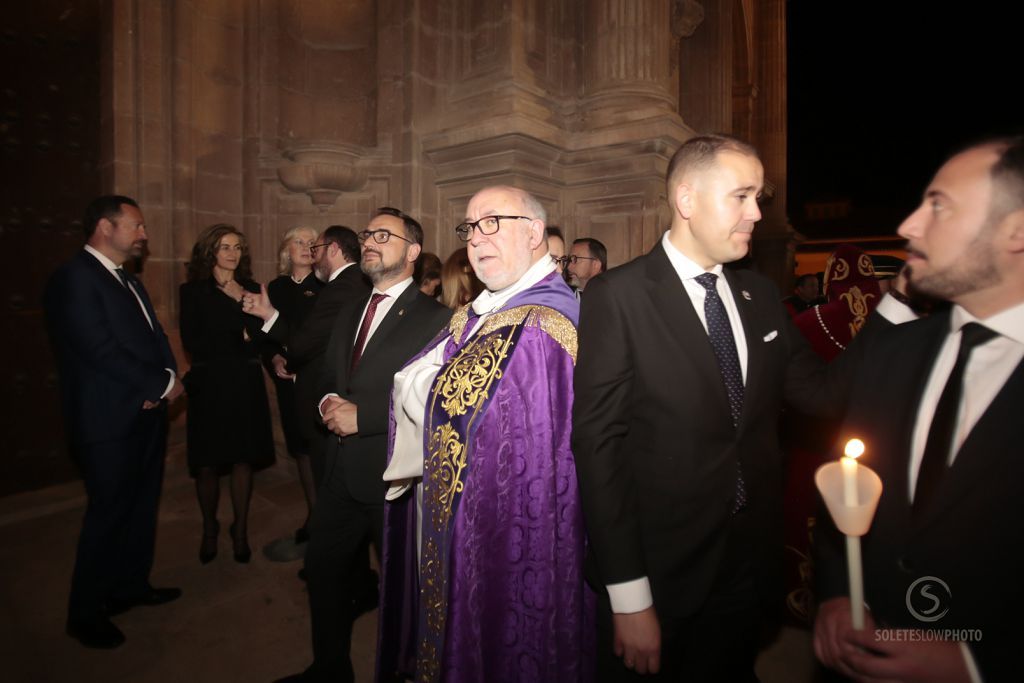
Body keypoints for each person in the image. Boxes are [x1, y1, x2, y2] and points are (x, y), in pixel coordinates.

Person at [572, 134, 880, 681]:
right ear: (687, 200)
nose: (757, 214)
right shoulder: (618, 297)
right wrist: (629, 596)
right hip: (661, 574)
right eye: (742, 196)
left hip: (749, 566)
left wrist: (894, 311)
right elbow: (598, 450)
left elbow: (822, 394)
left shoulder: (759, 296)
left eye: (759, 197)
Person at [814, 136, 1024, 682]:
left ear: (1018, 231)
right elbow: (851, 482)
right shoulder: (891, 351)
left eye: (939, 205)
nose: (908, 225)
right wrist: (836, 594)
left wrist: (977, 663)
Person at [377, 186, 592, 682]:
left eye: (492, 221)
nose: (476, 238)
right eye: (470, 227)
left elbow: (451, 401)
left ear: (535, 232)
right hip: (450, 510)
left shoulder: (545, 324)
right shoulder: (482, 311)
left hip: (507, 528)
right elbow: (421, 381)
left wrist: (421, 389)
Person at [274, 207, 450, 683]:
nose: (369, 240)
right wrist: (329, 398)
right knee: (324, 573)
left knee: (404, 593)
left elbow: (441, 403)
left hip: (393, 479)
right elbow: (331, 372)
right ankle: (330, 668)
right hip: (338, 472)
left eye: (383, 235)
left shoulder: (439, 319)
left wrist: (366, 417)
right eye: (367, 233)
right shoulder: (350, 305)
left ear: (412, 252)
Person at [45, 195, 184, 649]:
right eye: (137, 226)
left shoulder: (127, 280)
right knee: (107, 515)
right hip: (106, 419)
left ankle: (130, 586)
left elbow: (154, 336)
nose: (144, 234)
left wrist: (165, 379)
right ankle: (84, 613)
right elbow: (97, 349)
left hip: (144, 413)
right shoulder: (74, 279)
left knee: (141, 506)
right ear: (106, 227)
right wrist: (158, 386)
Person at [246, 226, 370, 563]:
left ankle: (338, 565)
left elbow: (302, 343)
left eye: (314, 246)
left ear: (331, 249)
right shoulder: (352, 283)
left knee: (334, 488)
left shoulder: (341, 286)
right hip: (321, 394)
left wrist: (268, 315)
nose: (311, 253)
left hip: (331, 397)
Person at [180, 224, 275, 565]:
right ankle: (209, 527)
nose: (232, 253)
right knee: (206, 464)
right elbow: (194, 342)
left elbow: (265, 336)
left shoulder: (252, 288)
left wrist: (249, 326)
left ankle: (240, 530)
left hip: (245, 383)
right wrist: (242, 333)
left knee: (242, 459)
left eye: (237, 247)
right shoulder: (192, 292)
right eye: (224, 247)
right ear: (210, 253)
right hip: (210, 384)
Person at [261, 226, 323, 548]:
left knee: (321, 449)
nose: (306, 246)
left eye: (312, 242)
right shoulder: (276, 287)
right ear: (287, 250)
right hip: (287, 383)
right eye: (299, 241)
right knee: (299, 447)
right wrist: (273, 358)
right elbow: (263, 334)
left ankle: (327, 518)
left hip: (318, 382)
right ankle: (313, 514)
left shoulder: (326, 286)